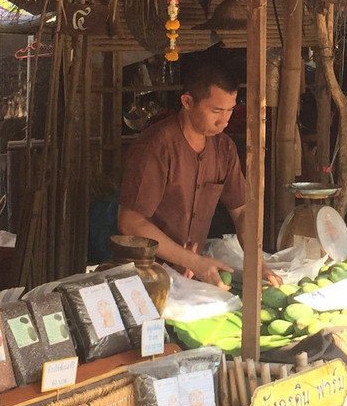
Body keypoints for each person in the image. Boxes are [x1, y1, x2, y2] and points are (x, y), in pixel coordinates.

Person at [118, 61, 277, 288]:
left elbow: (241, 211)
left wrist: (256, 261)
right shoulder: (156, 147)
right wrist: (194, 261)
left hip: (188, 277)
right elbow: (131, 222)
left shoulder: (224, 149)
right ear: (188, 102)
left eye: (230, 110)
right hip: (143, 275)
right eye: (216, 111)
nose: (224, 121)